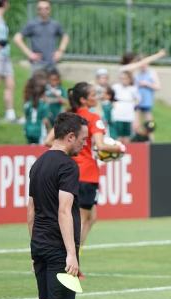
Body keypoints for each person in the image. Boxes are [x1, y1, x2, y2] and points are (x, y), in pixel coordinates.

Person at [27, 112, 88, 299]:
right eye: (83, 140)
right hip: (57, 247)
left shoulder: (38, 163)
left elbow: (31, 211)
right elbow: (65, 211)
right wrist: (72, 254)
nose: (85, 145)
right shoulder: (67, 166)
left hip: (40, 243)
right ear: (70, 136)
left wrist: (33, 249)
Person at [45, 82, 126, 279]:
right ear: (84, 99)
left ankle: (72, 260)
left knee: (91, 217)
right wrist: (120, 148)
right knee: (79, 220)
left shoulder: (68, 116)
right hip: (87, 174)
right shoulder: (93, 118)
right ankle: (70, 262)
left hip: (69, 172)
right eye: (93, 94)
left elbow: (49, 141)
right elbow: (100, 144)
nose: (97, 96)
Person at [13, 0, 69, 74]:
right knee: (36, 85)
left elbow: (65, 36)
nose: (43, 11)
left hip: (51, 64)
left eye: (46, 8)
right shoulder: (32, 24)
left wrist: (60, 51)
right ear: (37, 10)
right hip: (38, 65)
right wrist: (29, 53)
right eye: (40, 9)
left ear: (50, 10)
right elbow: (17, 38)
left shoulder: (54, 24)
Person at [110, 71, 139, 144]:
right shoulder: (115, 87)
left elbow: (138, 98)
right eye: (122, 78)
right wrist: (113, 103)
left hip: (128, 114)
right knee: (118, 135)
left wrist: (132, 105)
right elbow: (110, 96)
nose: (123, 80)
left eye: (125, 79)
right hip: (118, 113)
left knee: (127, 136)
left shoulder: (133, 89)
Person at [134, 59, 159, 140]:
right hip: (137, 102)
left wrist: (146, 83)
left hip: (147, 102)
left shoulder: (151, 73)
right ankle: (137, 140)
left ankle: (150, 142)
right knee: (136, 124)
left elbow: (158, 87)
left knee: (149, 125)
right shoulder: (136, 74)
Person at [23, 78, 48, 144]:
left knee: (30, 149)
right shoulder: (43, 104)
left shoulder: (28, 103)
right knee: (40, 150)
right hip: (39, 130)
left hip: (28, 129)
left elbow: (26, 116)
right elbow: (45, 120)